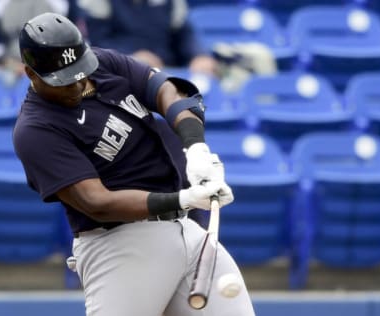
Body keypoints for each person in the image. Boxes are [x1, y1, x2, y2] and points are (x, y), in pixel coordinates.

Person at [13, 12, 255, 316]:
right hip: (120, 245)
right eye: (63, 81)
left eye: (79, 72)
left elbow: (167, 90)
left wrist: (195, 147)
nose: (76, 85)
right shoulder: (35, 130)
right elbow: (96, 202)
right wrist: (182, 199)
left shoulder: (104, 63)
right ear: (31, 74)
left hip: (188, 232)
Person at [77, 0, 218, 76]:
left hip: (168, 72)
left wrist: (199, 55)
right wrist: (130, 59)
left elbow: (184, 33)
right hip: (120, 75)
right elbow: (96, 44)